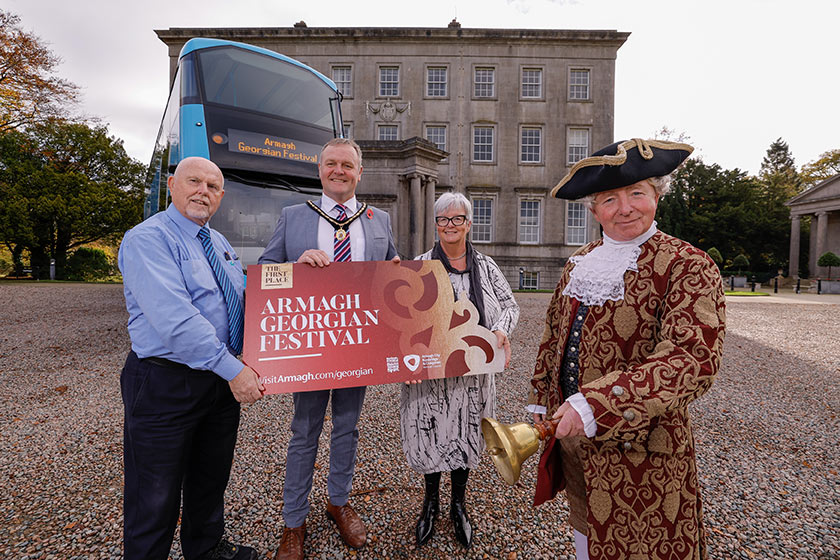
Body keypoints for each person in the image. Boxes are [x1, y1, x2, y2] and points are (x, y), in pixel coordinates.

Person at [528, 139, 726, 560]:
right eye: (609, 199)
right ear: (594, 209)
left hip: (644, 452)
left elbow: (692, 359)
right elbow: (554, 335)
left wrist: (596, 404)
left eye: (637, 193)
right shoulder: (579, 262)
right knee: (587, 540)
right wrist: (542, 402)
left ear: (657, 195)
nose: (625, 208)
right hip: (575, 444)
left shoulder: (687, 264)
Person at [259, 138, 399, 560]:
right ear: (320, 170)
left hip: (359, 346)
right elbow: (265, 274)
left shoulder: (379, 220)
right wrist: (295, 267)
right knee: (304, 433)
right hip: (312, 347)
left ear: (360, 173)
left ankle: (338, 501)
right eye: (331, 164)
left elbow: (394, 272)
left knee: (348, 428)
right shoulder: (294, 217)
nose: (339, 171)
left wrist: (395, 273)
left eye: (348, 165)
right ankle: (293, 522)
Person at [118, 156, 264, 560]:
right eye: (194, 181)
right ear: (172, 185)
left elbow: (241, 300)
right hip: (166, 382)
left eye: (213, 186)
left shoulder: (216, 242)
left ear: (221, 196)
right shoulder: (147, 239)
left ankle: (206, 549)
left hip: (217, 383)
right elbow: (176, 321)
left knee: (209, 479)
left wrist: (303, 279)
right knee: (155, 493)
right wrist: (235, 370)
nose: (204, 191)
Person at [400, 192, 520, 549]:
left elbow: (510, 306)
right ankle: (431, 502)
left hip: (473, 373)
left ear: (469, 224)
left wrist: (500, 330)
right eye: (442, 220)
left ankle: (458, 505)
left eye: (456, 219)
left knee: (467, 434)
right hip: (431, 374)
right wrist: (404, 355)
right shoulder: (420, 266)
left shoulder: (485, 267)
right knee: (431, 432)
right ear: (436, 225)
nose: (449, 226)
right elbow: (403, 321)